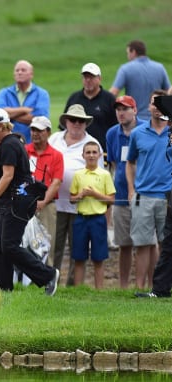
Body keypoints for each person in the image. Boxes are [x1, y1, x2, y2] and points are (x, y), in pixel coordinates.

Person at [0, 108, 60, 294]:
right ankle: (1, 290)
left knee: (9, 246)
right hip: (14, 201)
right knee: (1, 247)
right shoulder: (10, 143)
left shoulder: (9, 144)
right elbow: (5, 170)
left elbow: (8, 176)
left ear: (0, 126)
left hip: (17, 201)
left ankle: (48, 275)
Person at [48, 105, 101, 286]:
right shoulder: (54, 139)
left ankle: (73, 285)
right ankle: (50, 281)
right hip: (54, 203)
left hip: (81, 205)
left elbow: (100, 176)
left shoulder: (93, 144)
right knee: (53, 246)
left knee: (77, 248)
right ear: (66, 122)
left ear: (86, 123)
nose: (77, 124)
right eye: (73, 120)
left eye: (81, 121)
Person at [127, 92, 172, 291]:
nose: (156, 107)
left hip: (167, 196)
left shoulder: (170, 131)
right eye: (153, 103)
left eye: (159, 103)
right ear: (148, 107)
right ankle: (141, 286)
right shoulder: (138, 132)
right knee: (143, 244)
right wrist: (131, 189)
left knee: (166, 244)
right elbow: (130, 162)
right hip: (143, 194)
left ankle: (160, 286)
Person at [105, 95, 147, 288]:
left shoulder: (146, 129)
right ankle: (123, 286)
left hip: (146, 193)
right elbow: (114, 163)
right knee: (124, 244)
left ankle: (147, 284)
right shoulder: (112, 134)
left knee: (146, 243)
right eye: (118, 109)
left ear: (135, 110)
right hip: (121, 195)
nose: (121, 113)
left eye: (125, 109)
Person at [69, 142, 115, 288]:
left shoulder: (105, 175)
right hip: (81, 218)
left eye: (94, 152)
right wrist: (81, 195)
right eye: (88, 152)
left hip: (98, 219)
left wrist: (94, 194)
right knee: (79, 257)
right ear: (83, 155)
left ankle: (99, 291)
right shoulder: (78, 175)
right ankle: (78, 289)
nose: (91, 155)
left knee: (98, 257)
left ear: (99, 155)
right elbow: (71, 198)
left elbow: (111, 199)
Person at [26, 116, 65, 273]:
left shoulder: (56, 155)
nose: (35, 133)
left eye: (39, 130)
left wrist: (43, 202)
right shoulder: (25, 151)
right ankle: (24, 279)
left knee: (47, 242)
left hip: (47, 206)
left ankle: (46, 277)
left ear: (48, 132)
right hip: (25, 205)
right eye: (33, 130)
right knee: (24, 243)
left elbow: (56, 182)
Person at [109, 40, 172, 119]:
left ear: (133, 52)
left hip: (136, 120)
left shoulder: (125, 69)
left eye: (128, 53)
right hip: (156, 119)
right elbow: (168, 93)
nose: (127, 56)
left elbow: (113, 93)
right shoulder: (160, 68)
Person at [0, 60, 50, 142]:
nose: (19, 73)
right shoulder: (4, 93)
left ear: (31, 74)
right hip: (8, 143)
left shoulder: (42, 94)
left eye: (23, 70)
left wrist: (9, 115)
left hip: (32, 144)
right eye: (17, 70)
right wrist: (24, 110)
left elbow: (40, 120)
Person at [65, 63, 117, 146]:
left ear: (99, 78)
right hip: (76, 150)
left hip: (102, 151)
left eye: (91, 77)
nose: (88, 80)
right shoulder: (74, 98)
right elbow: (65, 126)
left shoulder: (109, 99)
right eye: (85, 77)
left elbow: (116, 127)